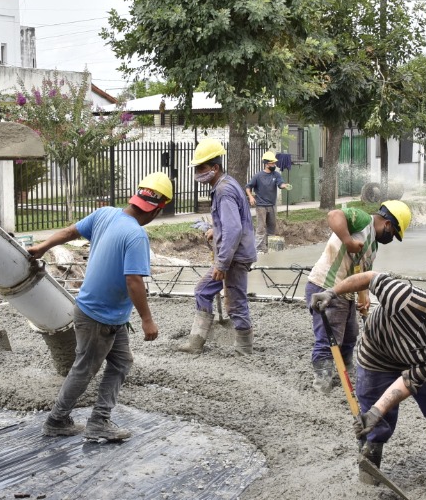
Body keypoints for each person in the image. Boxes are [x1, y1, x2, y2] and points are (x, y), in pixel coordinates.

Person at [27, 172, 173, 440]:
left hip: (104, 315)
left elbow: (71, 231)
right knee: (84, 369)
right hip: (100, 317)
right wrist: (147, 319)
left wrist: (43, 246)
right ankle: (57, 421)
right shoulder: (136, 236)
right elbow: (133, 280)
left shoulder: (105, 214)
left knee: (121, 362)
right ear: (157, 210)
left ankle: (99, 421)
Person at [310, 272, 426, 486]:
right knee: (371, 424)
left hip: (417, 360)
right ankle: (369, 478)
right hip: (377, 356)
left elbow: (409, 381)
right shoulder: (405, 299)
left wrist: (380, 410)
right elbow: (370, 278)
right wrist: (333, 292)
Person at [305, 200, 411, 393]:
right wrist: (348, 241)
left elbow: (362, 275)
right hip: (325, 286)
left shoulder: (374, 246)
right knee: (330, 338)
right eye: (394, 234)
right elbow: (333, 215)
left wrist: (364, 298)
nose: (391, 238)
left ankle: (345, 374)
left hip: (345, 294)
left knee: (350, 335)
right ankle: (322, 383)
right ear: (388, 224)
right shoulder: (363, 220)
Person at [177, 139, 258, 355]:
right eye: (196, 168)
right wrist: (216, 229)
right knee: (205, 291)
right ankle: (198, 340)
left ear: (215, 167)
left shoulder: (224, 190)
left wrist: (222, 263)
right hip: (237, 253)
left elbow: (233, 229)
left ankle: (243, 347)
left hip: (234, 256)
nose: (197, 173)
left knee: (234, 299)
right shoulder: (227, 184)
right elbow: (232, 222)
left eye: (201, 168)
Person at [246, 150, 289, 251]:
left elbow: (280, 184)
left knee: (272, 228)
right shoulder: (258, 176)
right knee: (260, 228)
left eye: (274, 163)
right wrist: (251, 197)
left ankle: (270, 249)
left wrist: (285, 186)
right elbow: (248, 187)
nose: (274, 164)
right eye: (272, 163)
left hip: (272, 205)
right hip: (261, 206)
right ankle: (258, 250)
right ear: (266, 164)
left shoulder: (276, 175)